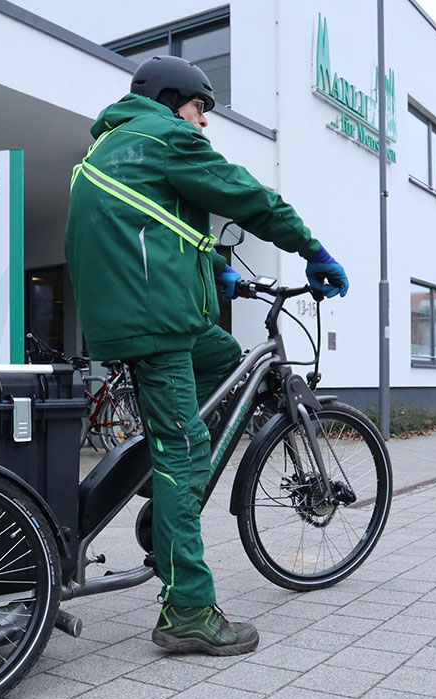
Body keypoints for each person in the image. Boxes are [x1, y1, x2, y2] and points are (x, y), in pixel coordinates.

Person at [64, 56, 348, 656]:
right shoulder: (165, 134)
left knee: (222, 356)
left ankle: (171, 496)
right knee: (186, 446)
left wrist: (217, 269)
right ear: (175, 102)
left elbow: (142, 220)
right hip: (154, 323)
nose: (204, 124)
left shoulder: (108, 149)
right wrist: (311, 248)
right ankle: (187, 609)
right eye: (201, 109)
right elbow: (246, 196)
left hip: (147, 316)